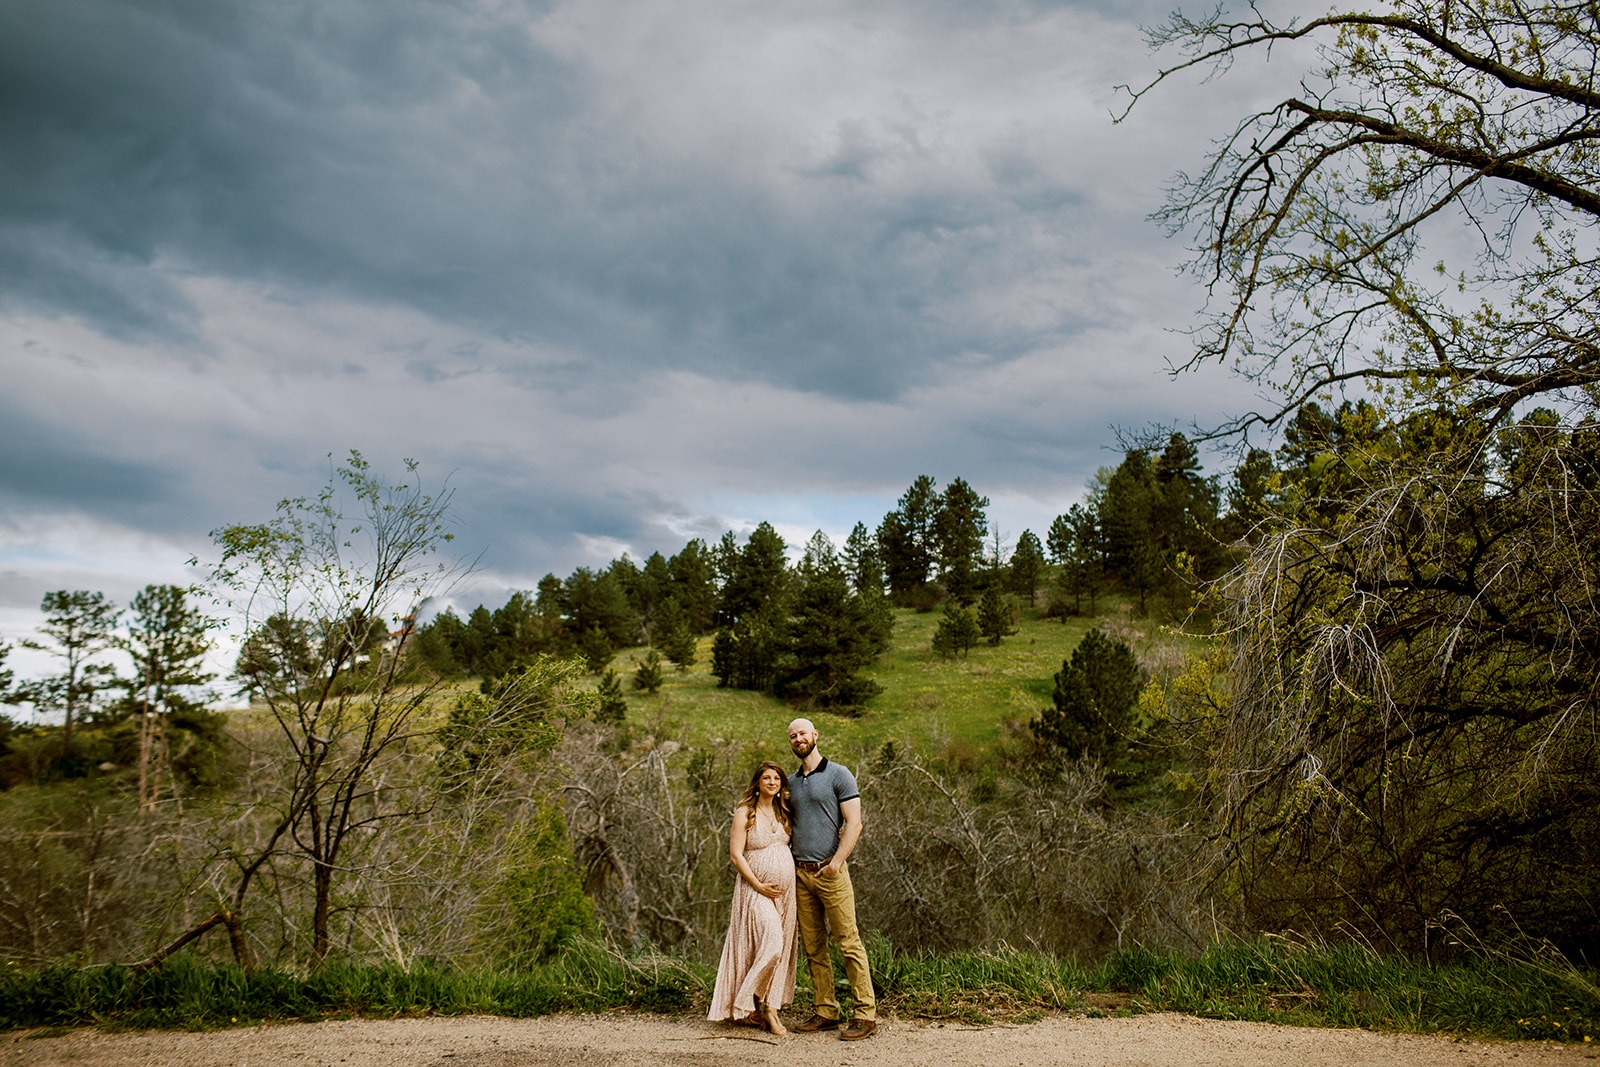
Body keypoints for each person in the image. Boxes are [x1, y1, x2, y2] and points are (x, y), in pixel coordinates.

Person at [785, 717, 877, 1040]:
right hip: (801, 875)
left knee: (848, 943)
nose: (798, 739)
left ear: (815, 735)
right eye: (793, 736)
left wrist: (837, 862)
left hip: (831, 871)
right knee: (814, 948)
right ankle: (826, 1011)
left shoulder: (839, 774)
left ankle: (865, 1015)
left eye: (803, 733)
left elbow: (855, 823)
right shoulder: (791, 783)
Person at [707, 760, 798, 1035]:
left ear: (781, 785)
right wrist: (758, 884)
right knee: (772, 945)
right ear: (757, 783)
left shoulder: (785, 814)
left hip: (785, 893)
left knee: (779, 949)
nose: (772, 782)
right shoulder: (745, 812)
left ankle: (770, 1008)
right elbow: (736, 855)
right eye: (766, 778)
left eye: (776, 779)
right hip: (754, 890)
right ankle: (746, 1000)